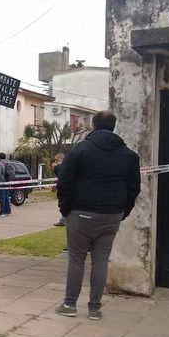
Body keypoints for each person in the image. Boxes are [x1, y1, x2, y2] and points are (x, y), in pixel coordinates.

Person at [54, 111, 141, 321]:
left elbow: (64, 181)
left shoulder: (80, 150)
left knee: (76, 259)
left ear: (93, 125)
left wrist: (65, 209)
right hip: (112, 215)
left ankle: (70, 304)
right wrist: (123, 211)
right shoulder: (129, 155)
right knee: (101, 261)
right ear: (113, 126)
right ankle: (94, 308)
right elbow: (133, 188)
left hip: (81, 213)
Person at [52, 152, 66, 226]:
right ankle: (63, 220)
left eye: (56, 159)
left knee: (63, 204)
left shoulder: (64, 165)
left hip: (64, 188)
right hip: (62, 187)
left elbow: (61, 173)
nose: (55, 161)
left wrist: (56, 167)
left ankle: (64, 220)